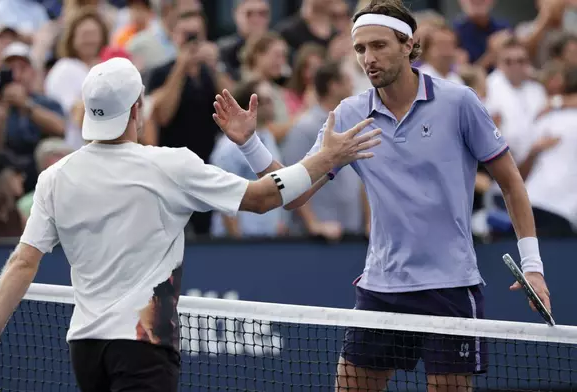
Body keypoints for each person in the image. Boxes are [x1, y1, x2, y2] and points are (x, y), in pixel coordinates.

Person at [0, 57, 380, 392]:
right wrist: (325, 159)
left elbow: (21, 263)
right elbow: (263, 198)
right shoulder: (170, 164)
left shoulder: (54, 177)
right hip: (143, 347)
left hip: (85, 349)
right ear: (137, 107)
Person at [211, 0, 551, 391]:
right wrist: (250, 143)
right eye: (360, 49)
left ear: (409, 44)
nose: (368, 59)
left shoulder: (459, 103)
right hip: (380, 291)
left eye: (378, 46)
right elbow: (292, 195)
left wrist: (533, 265)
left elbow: (510, 182)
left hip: (450, 287)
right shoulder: (349, 114)